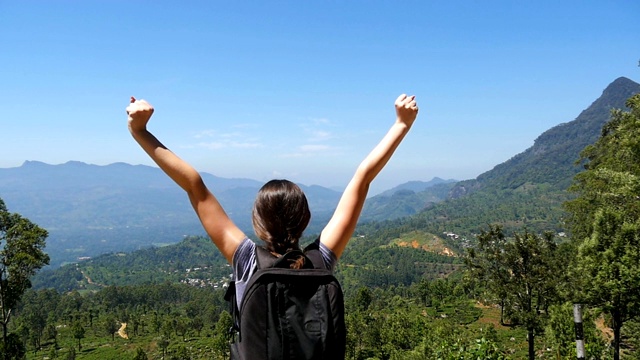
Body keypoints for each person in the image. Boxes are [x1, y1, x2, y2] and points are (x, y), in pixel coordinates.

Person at [126, 93, 418, 308]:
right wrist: (401, 125)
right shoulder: (320, 263)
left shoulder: (248, 262)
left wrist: (139, 131)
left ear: (258, 221)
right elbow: (362, 179)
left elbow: (194, 186)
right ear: (306, 218)